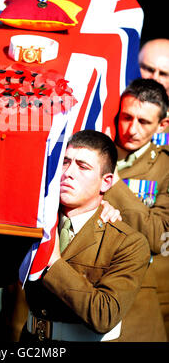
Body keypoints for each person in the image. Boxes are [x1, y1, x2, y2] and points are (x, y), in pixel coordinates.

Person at [22, 129, 161, 342]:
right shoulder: (37, 223)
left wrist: (55, 263)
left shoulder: (129, 243)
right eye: (65, 162)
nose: (68, 172)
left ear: (106, 182)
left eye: (83, 166)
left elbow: (104, 315)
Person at [104, 77, 169, 339]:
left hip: (136, 296)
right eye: (126, 117)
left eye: (143, 122)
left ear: (162, 125)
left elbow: (159, 237)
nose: (132, 129)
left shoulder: (165, 168)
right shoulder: (89, 151)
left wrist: (115, 182)